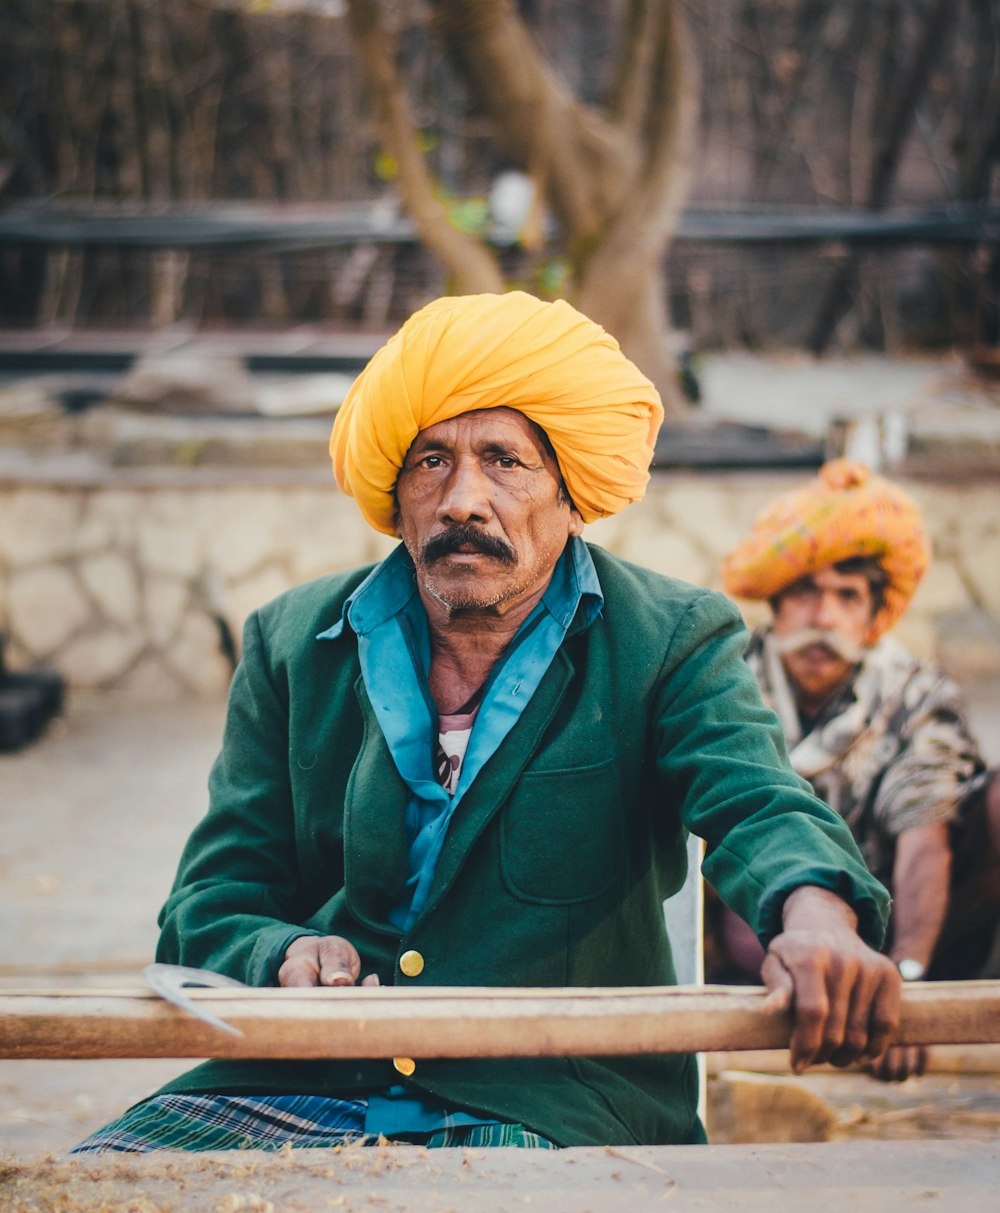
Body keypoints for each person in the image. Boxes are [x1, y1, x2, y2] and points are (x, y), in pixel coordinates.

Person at [75, 293, 898, 1154]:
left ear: (573, 498)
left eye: (505, 461)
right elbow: (209, 902)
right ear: (396, 498)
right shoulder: (290, 643)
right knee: (91, 1184)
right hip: (303, 1079)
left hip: (553, 1102)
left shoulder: (668, 639)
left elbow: (756, 802)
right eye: (432, 460)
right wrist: (281, 951)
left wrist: (814, 916)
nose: (464, 498)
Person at [718, 458, 1000, 1080]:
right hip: (757, 935)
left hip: (903, 933)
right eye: (805, 593)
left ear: (873, 618)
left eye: (847, 598)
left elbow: (925, 830)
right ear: (776, 605)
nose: (824, 618)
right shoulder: (722, 678)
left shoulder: (915, 692)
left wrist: (903, 985)